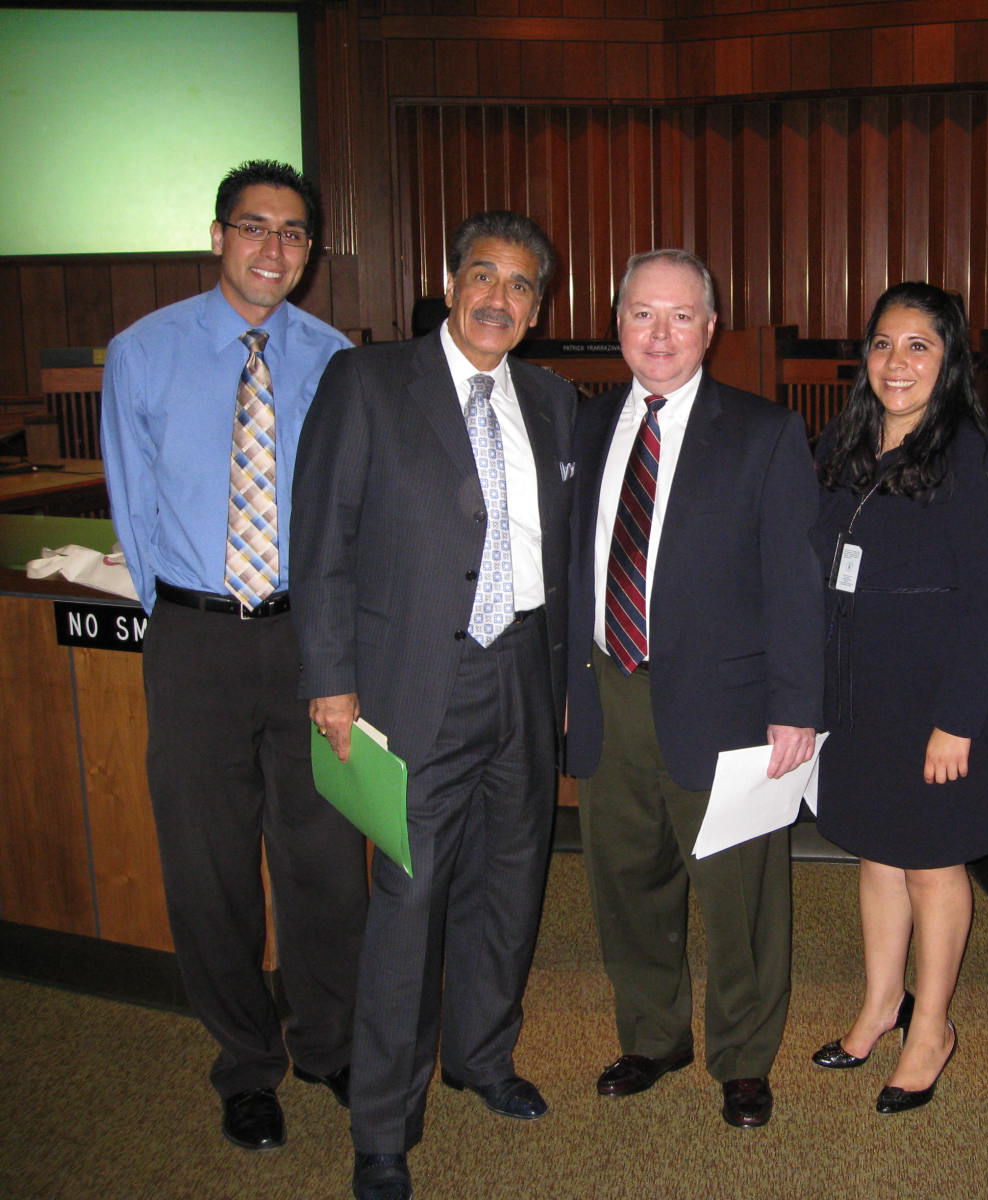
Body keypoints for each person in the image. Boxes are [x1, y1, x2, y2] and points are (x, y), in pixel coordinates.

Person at [292, 211, 576, 1200]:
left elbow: (569, 559)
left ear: (539, 308)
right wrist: (330, 680)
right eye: (484, 277)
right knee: (408, 902)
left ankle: (482, 1058)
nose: (500, 299)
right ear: (450, 281)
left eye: (522, 286)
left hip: (525, 679)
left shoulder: (552, 400)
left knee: (510, 880)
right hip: (413, 686)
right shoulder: (368, 383)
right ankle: (382, 1125)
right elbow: (319, 535)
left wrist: (567, 690)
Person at [101, 159, 368, 1153]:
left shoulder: (335, 357)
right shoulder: (143, 351)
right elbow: (132, 504)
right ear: (217, 236)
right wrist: (182, 616)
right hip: (197, 641)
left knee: (326, 863)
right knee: (207, 871)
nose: (272, 248)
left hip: (310, 641)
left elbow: (348, 509)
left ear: (310, 252)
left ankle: (328, 1043)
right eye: (253, 227)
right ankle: (244, 1065)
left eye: (293, 233)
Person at [566, 249, 824, 1130]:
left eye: (682, 316)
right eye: (643, 313)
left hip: (727, 704)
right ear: (619, 325)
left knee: (739, 894)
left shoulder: (765, 431)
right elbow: (573, 569)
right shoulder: (587, 426)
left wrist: (796, 707)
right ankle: (652, 1035)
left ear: (712, 329)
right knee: (625, 881)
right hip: (610, 692)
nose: (661, 333)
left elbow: (795, 581)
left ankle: (744, 1058)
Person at [807, 282, 988, 1115]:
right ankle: (879, 1005)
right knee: (876, 853)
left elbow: (986, 599)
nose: (898, 363)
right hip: (856, 694)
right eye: (884, 344)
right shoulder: (844, 442)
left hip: (933, 702)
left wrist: (958, 719)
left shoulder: (969, 455)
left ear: (950, 359)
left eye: (920, 346)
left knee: (932, 865)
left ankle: (931, 1026)